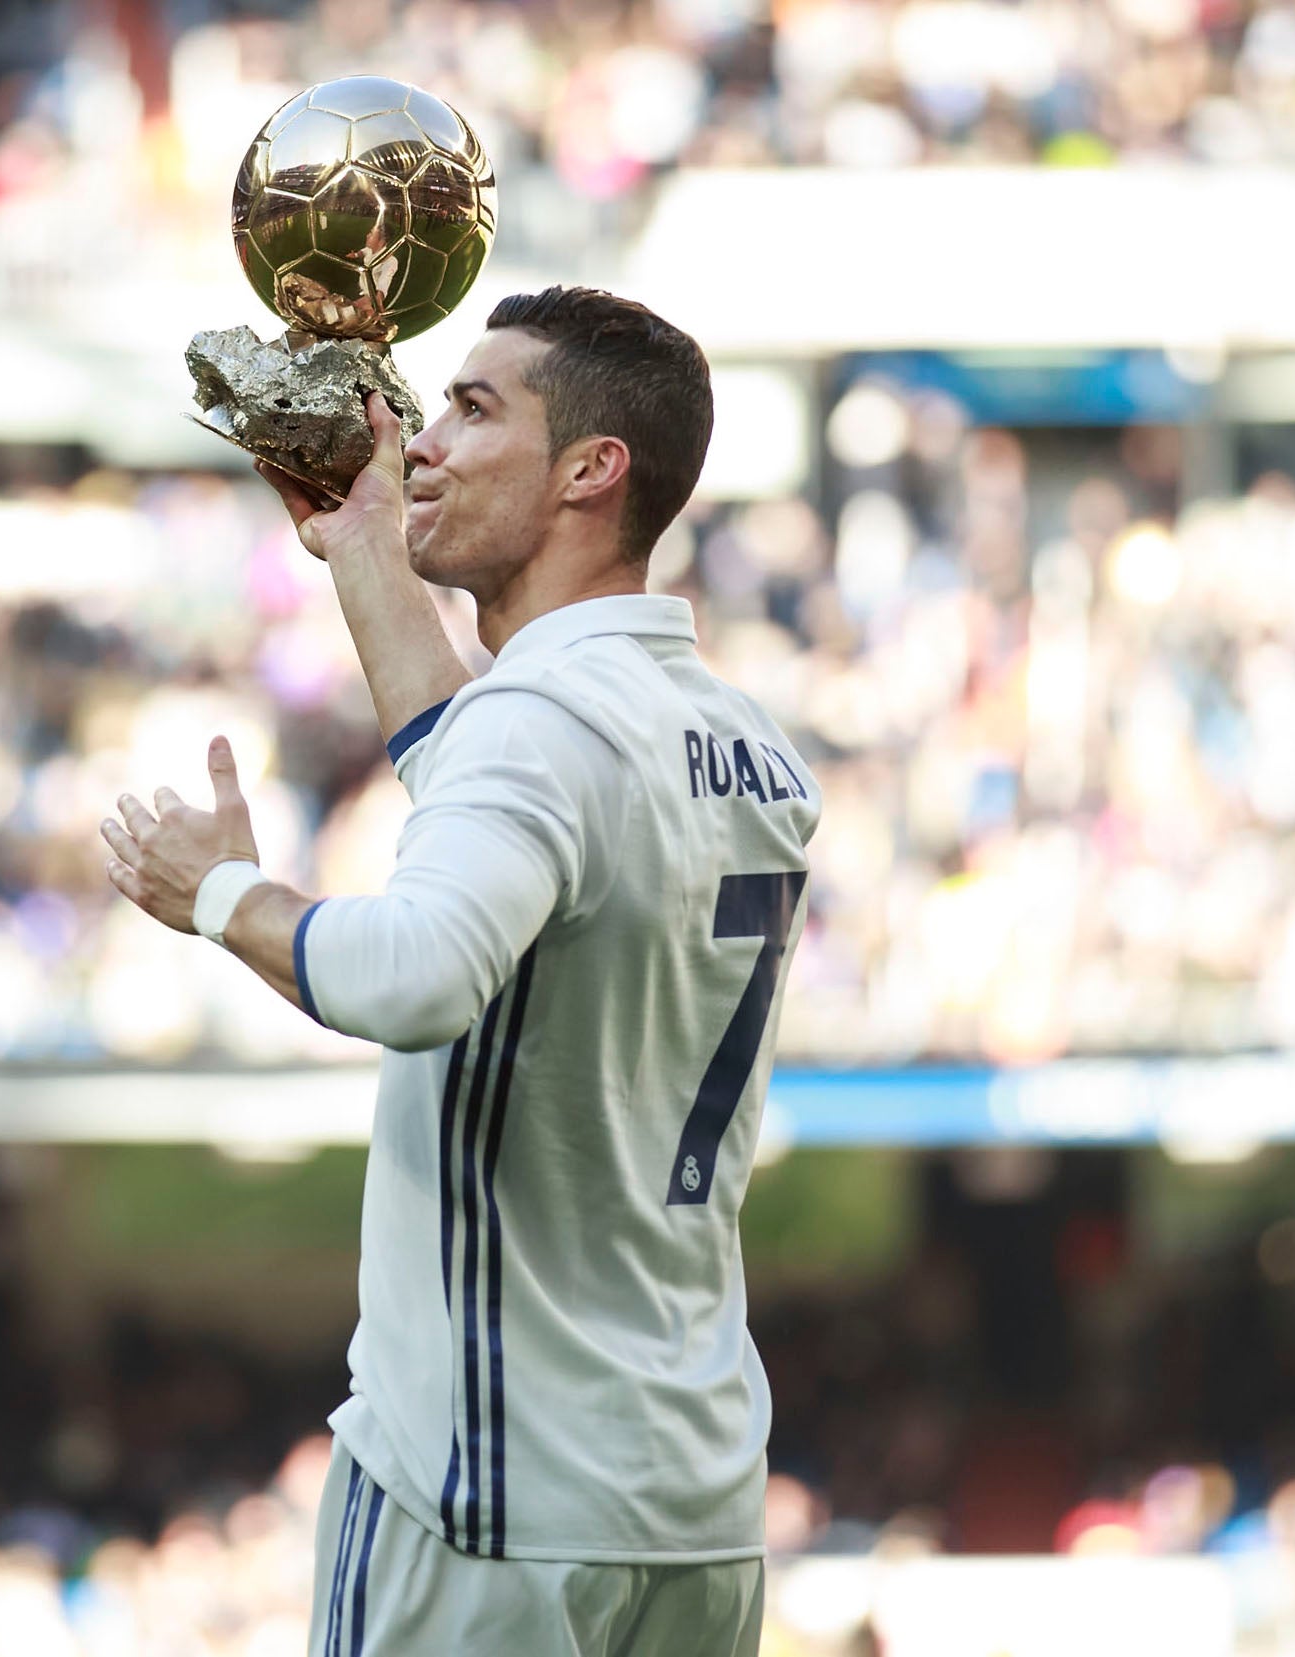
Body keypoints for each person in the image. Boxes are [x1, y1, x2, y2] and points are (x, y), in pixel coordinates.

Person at [100, 287, 819, 1656]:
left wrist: (220, 894)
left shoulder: (537, 730)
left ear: (588, 473)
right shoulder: (740, 740)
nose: (423, 441)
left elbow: (420, 972)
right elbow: (496, 789)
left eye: (472, 410)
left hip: (489, 1500)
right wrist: (369, 546)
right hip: (693, 1504)